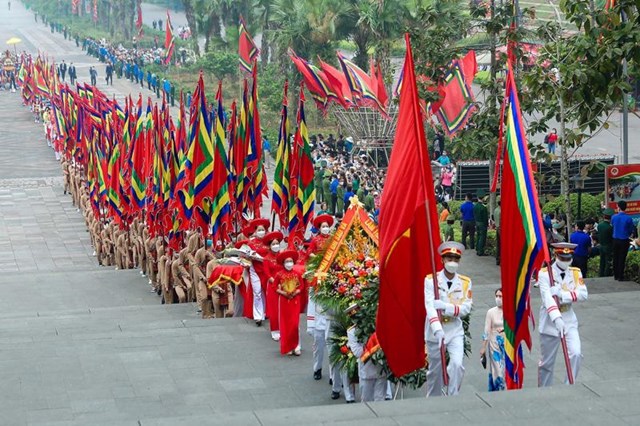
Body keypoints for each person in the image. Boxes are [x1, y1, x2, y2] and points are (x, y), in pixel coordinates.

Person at [424, 241, 473, 396]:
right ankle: (433, 398)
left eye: (455, 259)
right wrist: (437, 329)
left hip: (454, 329)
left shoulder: (465, 282)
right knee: (435, 370)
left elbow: (465, 308)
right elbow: (430, 307)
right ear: (442, 260)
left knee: (457, 365)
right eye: (449, 258)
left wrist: (446, 307)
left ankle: (453, 396)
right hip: (435, 331)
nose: (452, 262)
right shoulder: (431, 280)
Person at [538, 243, 588, 387]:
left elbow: (583, 294)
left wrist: (562, 294)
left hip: (568, 317)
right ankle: (544, 389)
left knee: (576, 354)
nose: (566, 261)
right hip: (550, 320)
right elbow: (547, 298)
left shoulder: (575, 272)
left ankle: (569, 385)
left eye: (568, 258)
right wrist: (556, 318)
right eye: (562, 258)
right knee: (546, 363)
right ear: (555, 256)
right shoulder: (544, 274)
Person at [346, 304, 387, 402]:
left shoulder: (375, 325)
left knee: (380, 399)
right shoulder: (352, 332)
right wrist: (372, 345)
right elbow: (358, 352)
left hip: (381, 368)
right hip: (366, 370)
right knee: (366, 401)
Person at [274, 249, 303, 356]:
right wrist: (283, 293)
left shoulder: (297, 274)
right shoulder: (279, 274)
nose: (289, 263)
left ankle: (296, 346)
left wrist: (295, 293)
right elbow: (274, 287)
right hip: (284, 301)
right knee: (285, 324)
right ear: (283, 263)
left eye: (291, 261)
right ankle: (288, 346)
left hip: (295, 301)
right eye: (287, 261)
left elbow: (301, 287)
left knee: (295, 324)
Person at [480, 289, 505, 392]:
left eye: (501, 296)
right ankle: (498, 387)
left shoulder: (510, 310)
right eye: (497, 296)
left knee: (506, 368)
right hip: (494, 342)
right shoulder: (490, 312)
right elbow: (486, 330)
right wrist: (483, 347)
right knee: (497, 368)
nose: (498, 298)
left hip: (506, 342)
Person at [612, 200, 636, 281]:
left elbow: (613, 226)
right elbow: (630, 230)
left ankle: (615, 275)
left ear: (618, 207)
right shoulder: (628, 218)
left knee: (615, 257)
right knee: (622, 257)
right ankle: (620, 276)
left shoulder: (614, 217)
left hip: (615, 239)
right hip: (624, 239)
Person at [474, 190, 489, 256]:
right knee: (482, 238)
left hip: (477, 222)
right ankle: (480, 251)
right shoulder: (483, 208)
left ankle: (477, 248)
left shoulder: (475, 206)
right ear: (483, 198)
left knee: (478, 236)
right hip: (482, 224)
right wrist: (487, 225)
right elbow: (485, 218)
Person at [494, 199, 501, 265]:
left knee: (498, 245)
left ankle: (497, 259)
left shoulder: (496, 210)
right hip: (501, 229)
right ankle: (500, 259)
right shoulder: (501, 211)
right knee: (502, 245)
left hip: (497, 227)